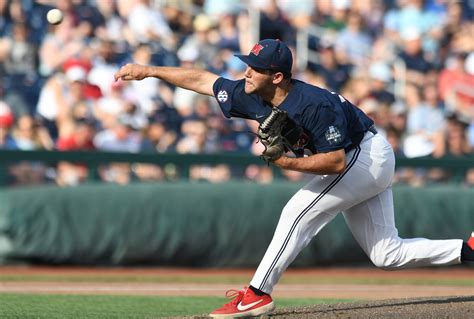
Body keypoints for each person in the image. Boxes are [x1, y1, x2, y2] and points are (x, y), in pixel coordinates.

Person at [114, 39, 474, 318]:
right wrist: (150, 70)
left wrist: (285, 162)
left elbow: (334, 162)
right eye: (247, 65)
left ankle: (257, 293)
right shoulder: (251, 93)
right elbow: (204, 80)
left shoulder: (312, 104)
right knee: (386, 254)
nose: (246, 72)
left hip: (365, 157)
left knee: (297, 212)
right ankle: (467, 250)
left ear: (277, 76)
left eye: (254, 68)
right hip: (357, 159)